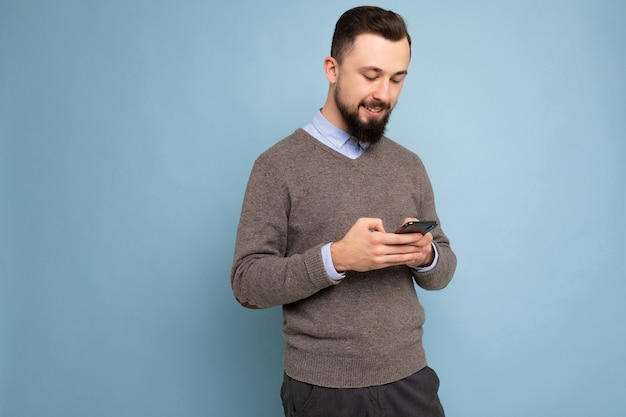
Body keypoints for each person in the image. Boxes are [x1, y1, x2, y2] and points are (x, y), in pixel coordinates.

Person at [231, 6, 456, 416]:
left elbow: (442, 271)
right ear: (332, 69)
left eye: (396, 79)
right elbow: (246, 283)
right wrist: (335, 259)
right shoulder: (276, 166)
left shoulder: (409, 165)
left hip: (411, 381)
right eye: (370, 76)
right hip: (322, 392)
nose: (383, 94)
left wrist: (426, 255)